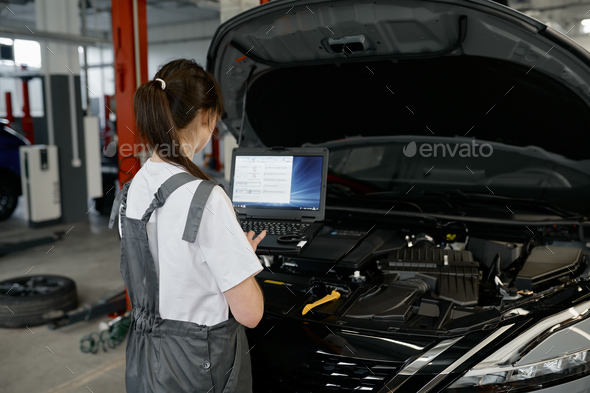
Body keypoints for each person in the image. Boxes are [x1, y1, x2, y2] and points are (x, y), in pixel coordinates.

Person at [108, 59, 267, 392]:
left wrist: (232, 253)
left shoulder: (132, 189)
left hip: (146, 356)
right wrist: (243, 265)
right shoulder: (207, 198)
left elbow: (172, 265)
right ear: (207, 117)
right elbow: (250, 314)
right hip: (199, 363)